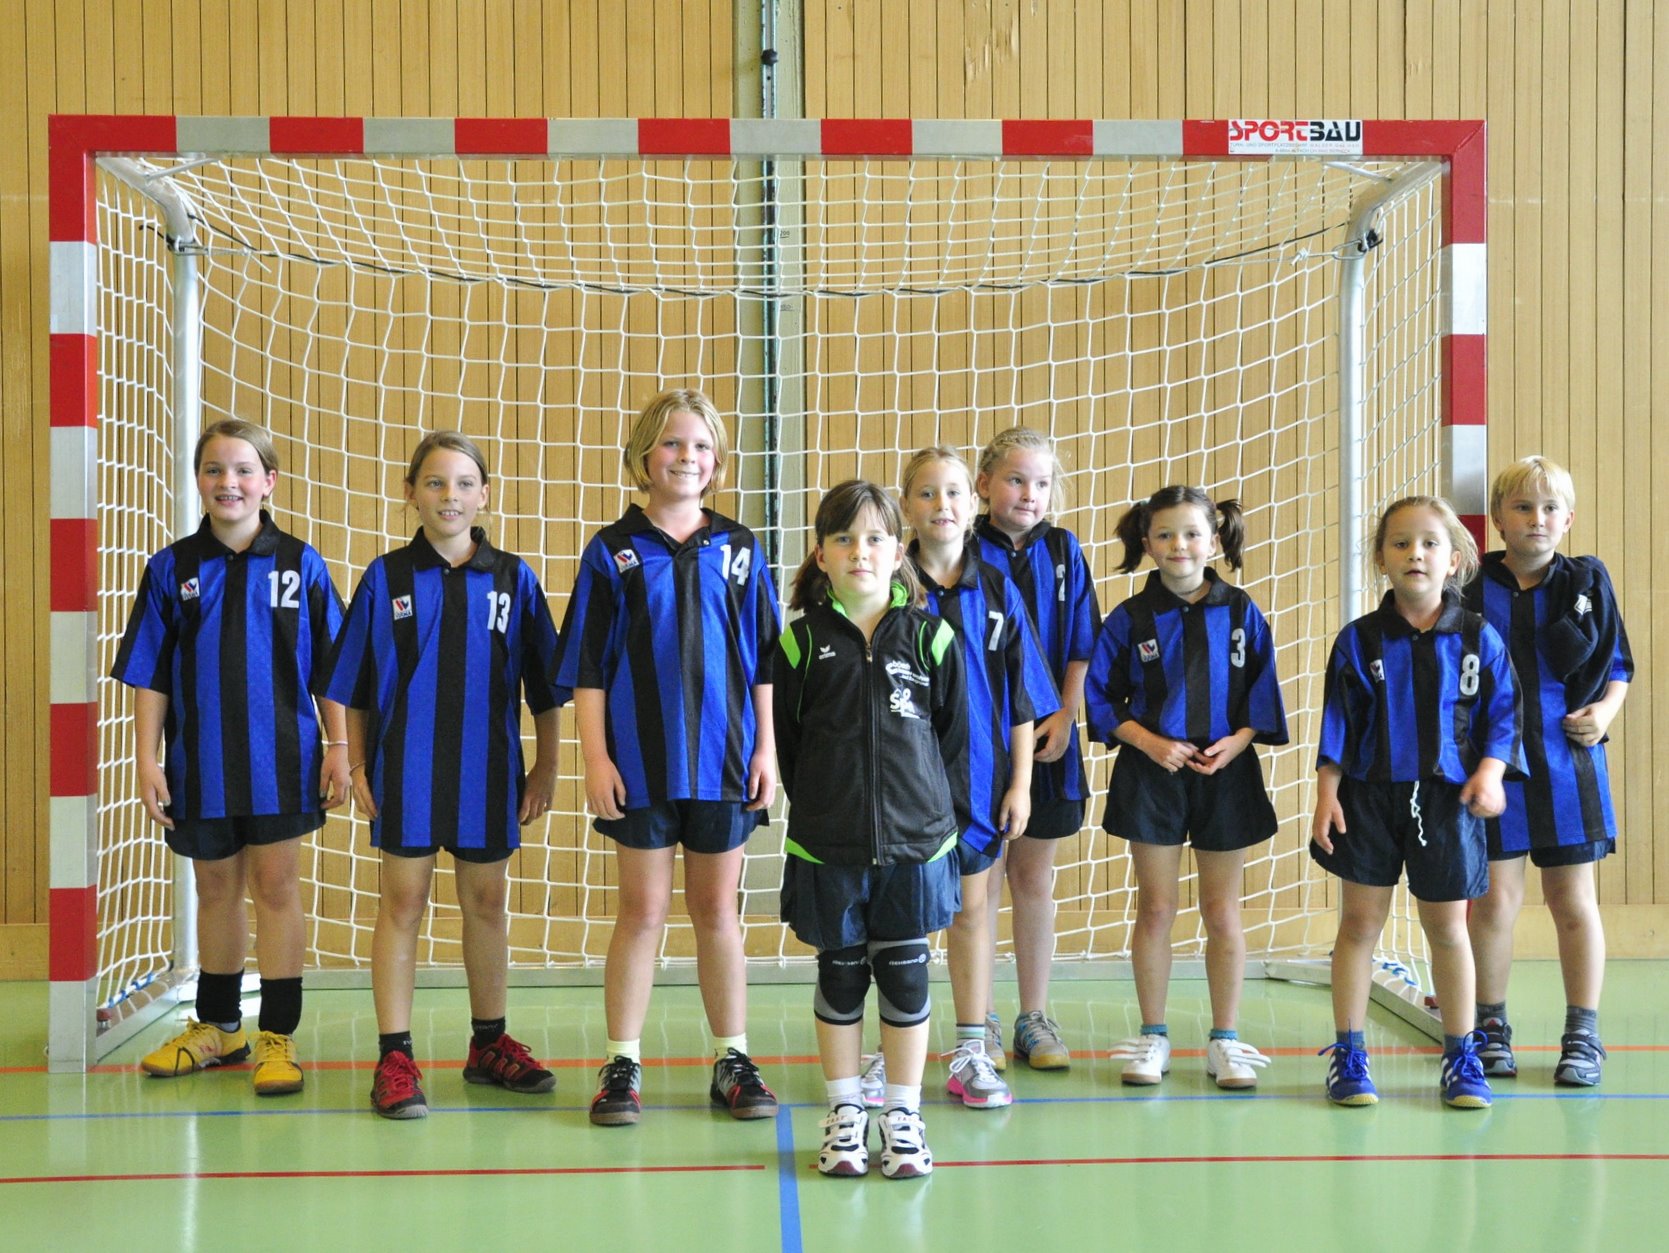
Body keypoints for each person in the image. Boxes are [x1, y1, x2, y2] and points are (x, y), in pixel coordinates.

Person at [554, 388, 781, 1127]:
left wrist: (766, 748)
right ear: (645, 455)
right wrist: (595, 758)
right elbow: (588, 668)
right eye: (674, 443)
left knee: (716, 910)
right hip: (640, 763)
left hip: (724, 760)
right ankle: (621, 1063)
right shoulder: (611, 550)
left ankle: (732, 1058)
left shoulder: (740, 548)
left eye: (702, 446)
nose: (688, 456)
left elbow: (764, 662)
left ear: (718, 461)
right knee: (642, 911)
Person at [320, 431, 561, 1120]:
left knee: (486, 902)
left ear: (484, 495)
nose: (449, 495)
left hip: (489, 772)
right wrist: (356, 760)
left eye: (463, 483)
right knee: (402, 902)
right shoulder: (385, 578)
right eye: (434, 482)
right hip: (405, 770)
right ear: (411, 493)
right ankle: (394, 1056)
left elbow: (546, 688)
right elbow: (352, 683)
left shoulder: (513, 578)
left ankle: (489, 1043)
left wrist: (547, 765)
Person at [114, 418, 348, 1096]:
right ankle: (218, 1027)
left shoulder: (301, 563)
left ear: (269, 481)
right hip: (200, 763)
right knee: (215, 890)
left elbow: (331, 669)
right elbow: (152, 673)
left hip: (284, 760)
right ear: (198, 480)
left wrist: (339, 747)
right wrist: (147, 758)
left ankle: (277, 1034)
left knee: (275, 889)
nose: (229, 482)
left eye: (244, 469)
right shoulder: (171, 568)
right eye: (214, 469)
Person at [855, 448, 1059, 1110]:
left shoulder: (997, 591)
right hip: (899, 790)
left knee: (972, 914)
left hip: (979, 785)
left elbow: (1024, 700)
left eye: (952, 493)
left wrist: (1020, 783)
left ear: (973, 504)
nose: (940, 505)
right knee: (901, 925)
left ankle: (972, 1048)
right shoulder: (885, 588)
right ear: (905, 507)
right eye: (925, 493)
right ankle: (889, 1054)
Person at [775, 480, 967, 1179]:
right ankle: (844, 1111)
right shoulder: (798, 643)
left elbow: (952, 740)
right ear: (821, 555)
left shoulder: (932, 636)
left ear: (897, 552)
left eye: (876, 538)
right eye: (844, 538)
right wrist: (829, 809)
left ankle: (904, 1115)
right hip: (829, 844)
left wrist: (925, 815)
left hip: (918, 845)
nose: (860, 550)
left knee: (907, 975)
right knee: (840, 973)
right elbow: (790, 746)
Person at [1310, 495, 1524, 1109]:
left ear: (1454, 559)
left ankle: (1462, 1056)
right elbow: (1338, 724)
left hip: (1448, 802)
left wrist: (1490, 773)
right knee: (1359, 925)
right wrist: (1326, 794)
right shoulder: (1359, 640)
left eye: (1430, 543)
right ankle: (1349, 1055)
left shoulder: (1479, 637)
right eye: (1400, 543)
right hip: (1368, 799)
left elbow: (1504, 716)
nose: (1415, 553)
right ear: (1381, 558)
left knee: (1448, 929)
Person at [1087, 486, 1288, 1089]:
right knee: (1156, 908)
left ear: (1215, 540)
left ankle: (1225, 1040)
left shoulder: (1242, 610)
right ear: (1147, 544)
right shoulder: (1129, 618)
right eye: (1166, 534)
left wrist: (1238, 741)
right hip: (1152, 776)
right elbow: (1101, 699)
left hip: (1226, 776)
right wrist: (1150, 743)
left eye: (1193, 533)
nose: (1180, 545)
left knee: (1222, 911)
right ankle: (1153, 1037)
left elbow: (1262, 691)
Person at [1464, 457, 1631, 1087]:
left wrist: (1604, 712)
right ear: (1498, 518)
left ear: (1568, 519)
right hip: (1494, 768)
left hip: (1569, 766)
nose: (1537, 519)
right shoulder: (1468, 584)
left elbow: (1618, 665)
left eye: (1550, 508)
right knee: (1494, 901)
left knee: (1573, 902)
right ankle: (1489, 1026)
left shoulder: (1587, 581)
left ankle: (1582, 1034)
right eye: (1523, 507)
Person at [972, 427, 1100, 1070]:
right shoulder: (959, 548)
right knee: (981, 883)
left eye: (1042, 483)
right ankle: (980, 1021)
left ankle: (1033, 1015)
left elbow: (1081, 644)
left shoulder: (1063, 549)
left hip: (1049, 738)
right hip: (978, 743)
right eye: (1016, 479)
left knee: (1033, 878)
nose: (1029, 493)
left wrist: (1065, 715)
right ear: (984, 485)